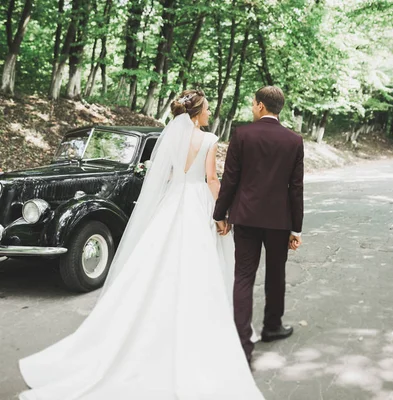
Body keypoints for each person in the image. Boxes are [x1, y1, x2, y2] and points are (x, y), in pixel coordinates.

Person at [18, 89, 265, 400]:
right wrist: (222, 213)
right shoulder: (209, 140)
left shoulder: (171, 139)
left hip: (172, 202)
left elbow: (165, 176)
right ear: (197, 112)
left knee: (156, 265)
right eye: (206, 109)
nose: (209, 114)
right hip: (197, 203)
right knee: (198, 267)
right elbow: (213, 180)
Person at [214, 86, 304, 365]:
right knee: (276, 273)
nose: (252, 107)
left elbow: (230, 180)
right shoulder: (294, 140)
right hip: (279, 221)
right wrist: (296, 229)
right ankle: (272, 326)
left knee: (243, 276)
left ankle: (243, 345)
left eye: (253, 104)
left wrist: (220, 213)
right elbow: (296, 188)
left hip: (246, 217)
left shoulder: (242, 134)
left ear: (262, 106)